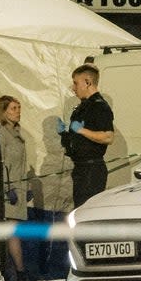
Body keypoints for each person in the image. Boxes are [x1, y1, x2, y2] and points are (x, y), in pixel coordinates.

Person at [59, 63, 115, 207]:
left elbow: (108, 137)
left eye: (76, 83)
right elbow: (78, 139)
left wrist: (81, 130)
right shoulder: (84, 106)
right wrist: (64, 134)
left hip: (92, 170)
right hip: (81, 168)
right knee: (80, 209)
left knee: (87, 211)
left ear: (88, 82)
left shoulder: (99, 106)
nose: (73, 88)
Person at [0, 95, 32, 281]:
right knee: (13, 233)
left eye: (18, 108)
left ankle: (16, 273)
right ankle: (19, 272)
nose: (18, 111)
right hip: (10, 191)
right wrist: (7, 189)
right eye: (13, 108)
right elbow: (0, 164)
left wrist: (28, 186)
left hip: (19, 187)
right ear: (3, 111)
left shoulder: (16, 132)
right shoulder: (1, 132)